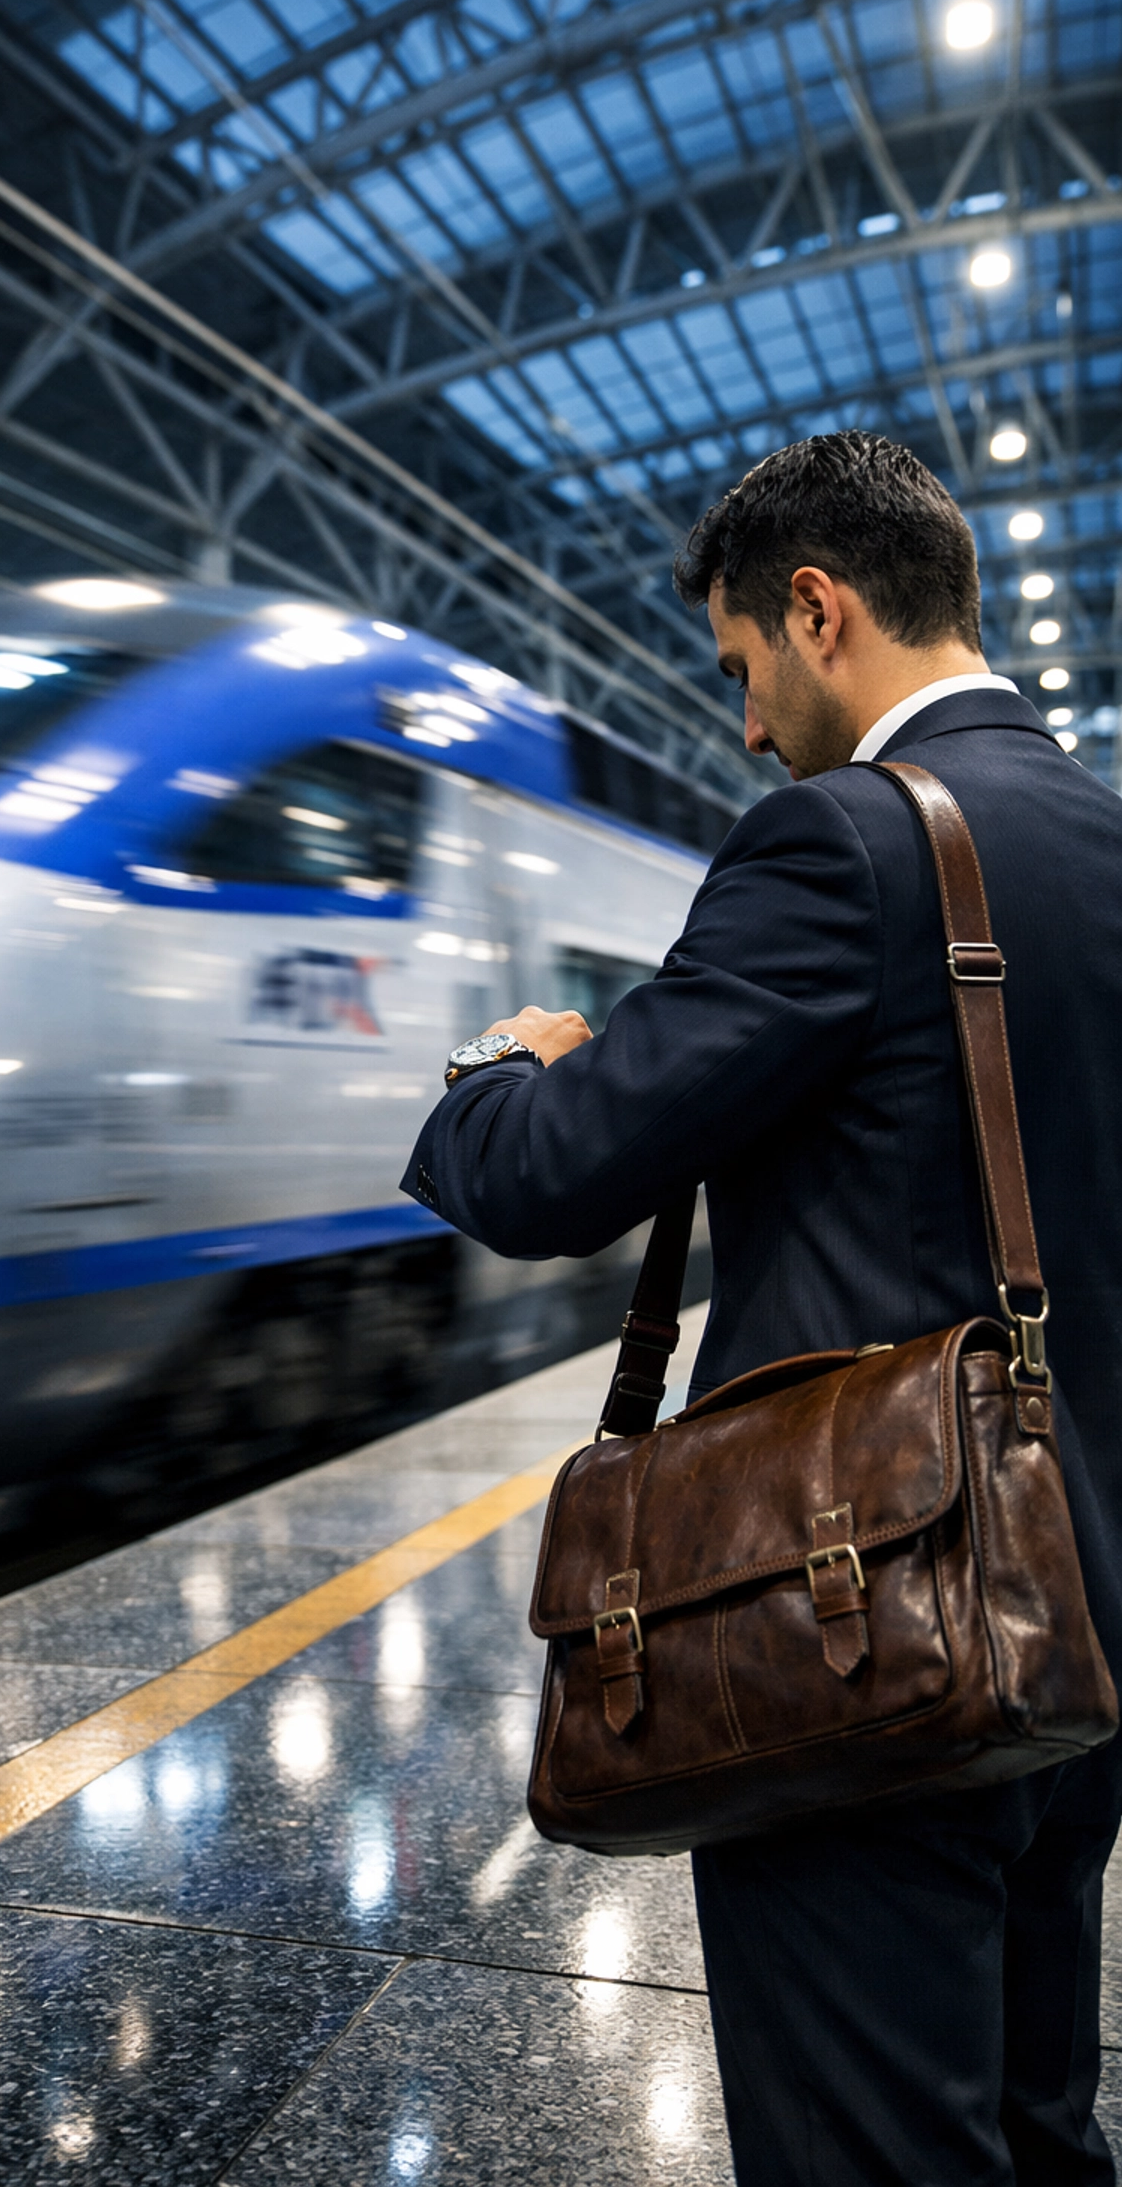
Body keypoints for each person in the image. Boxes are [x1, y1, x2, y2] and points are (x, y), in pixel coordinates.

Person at [401, 430, 1122, 2187]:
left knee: (869, 2148)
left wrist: (505, 1064)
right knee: (1036, 2123)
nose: (742, 728)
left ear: (818, 611)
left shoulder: (843, 847)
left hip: (872, 1624)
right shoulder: (1106, 836)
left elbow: (553, 1173)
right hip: (1079, 1612)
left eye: (740, 669)